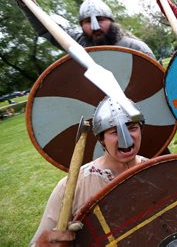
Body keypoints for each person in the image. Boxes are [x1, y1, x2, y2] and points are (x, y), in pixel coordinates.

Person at [30, 96, 147, 246]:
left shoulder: (158, 170)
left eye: (132, 127)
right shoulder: (73, 187)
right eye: (114, 131)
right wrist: (47, 242)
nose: (126, 137)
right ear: (101, 139)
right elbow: (38, 244)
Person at [0, 0, 155, 58]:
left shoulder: (134, 47)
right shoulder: (79, 43)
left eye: (100, 19)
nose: (95, 27)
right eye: (88, 22)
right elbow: (49, 28)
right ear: (81, 24)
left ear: (111, 21)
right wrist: (27, 2)